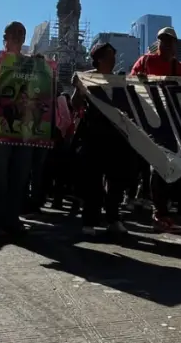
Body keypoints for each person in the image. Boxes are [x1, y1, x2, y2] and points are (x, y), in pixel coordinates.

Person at [129, 27, 181, 233]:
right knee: (156, 166)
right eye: (162, 40)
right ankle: (159, 212)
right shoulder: (145, 62)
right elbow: (130, 85)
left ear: (175, 44)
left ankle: (161, 208)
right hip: (148, 123)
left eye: (170, 41)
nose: (166, 44)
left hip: (173, 126)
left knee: (170, 168)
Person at [0, 21, 36, 238]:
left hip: (24, 128)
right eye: (13, 33)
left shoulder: (30, 64)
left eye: (21, 33)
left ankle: (12, 219)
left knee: (20, 175)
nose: (17, 37)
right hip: (1, 125)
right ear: (5, 36)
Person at [75, 42, 133, 236]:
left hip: (116, 136)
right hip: (94, 134)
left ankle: (113, 218)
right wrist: (78, 87)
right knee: (93, 181)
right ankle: (90, 220)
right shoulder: (88, 77)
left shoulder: (119, 81)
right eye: (109, 55)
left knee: (116, 180)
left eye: (114, 55)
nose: (113, 58)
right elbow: (76, 103)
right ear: (98, 58)